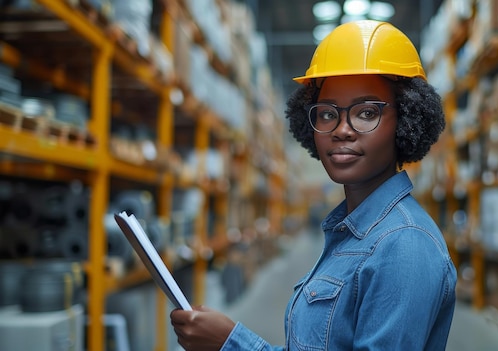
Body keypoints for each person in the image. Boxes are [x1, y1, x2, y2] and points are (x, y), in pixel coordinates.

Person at [170, 19, 457, 350]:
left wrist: (233, 345)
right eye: (327, 114)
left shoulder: (403, 246)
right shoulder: (352, 231)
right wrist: (229, 339)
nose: (342, 130)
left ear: (407, 120)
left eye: (366, 113)